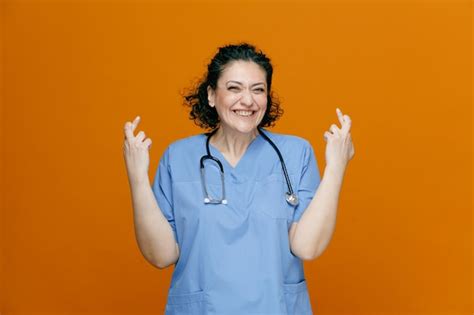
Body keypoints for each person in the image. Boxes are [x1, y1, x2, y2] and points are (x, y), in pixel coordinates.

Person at [123, 42, 355, 315]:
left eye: (258, 90)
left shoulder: (295, 153)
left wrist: (336, 168)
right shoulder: (178, 157)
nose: (248, 100)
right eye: (234, 88)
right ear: (211, 95)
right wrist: (137, 177)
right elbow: (161, 255)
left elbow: (307, 246)